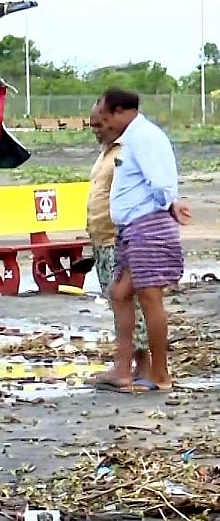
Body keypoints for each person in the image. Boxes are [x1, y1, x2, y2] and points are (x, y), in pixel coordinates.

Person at [94, 88, 190, 393]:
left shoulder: (144, 137)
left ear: (122, 112)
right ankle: (123, 369)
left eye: (106, 118)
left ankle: (160, 373)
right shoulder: (131, 139)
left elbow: (161, 182)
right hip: (132, 230)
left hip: (147, 227)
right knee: (120, 293)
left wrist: (168, 204)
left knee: (150, 298)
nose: (104, 125)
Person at [85, 102, 150, 385]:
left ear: (116, 118)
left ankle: (137, 367)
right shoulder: (107, 152)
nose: (97, 132)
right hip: (101, 238)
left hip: (119, 239)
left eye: (100, 125)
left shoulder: (129, 149)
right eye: (92, 127)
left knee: (126, 303)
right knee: (117, 303)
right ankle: (131, 366)